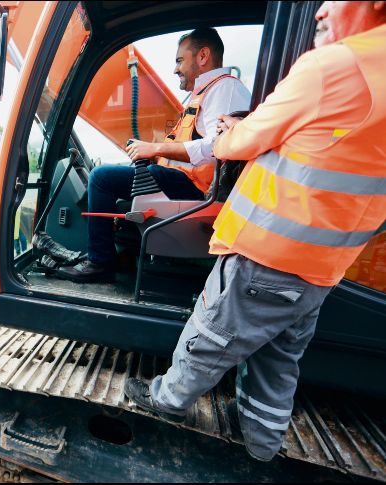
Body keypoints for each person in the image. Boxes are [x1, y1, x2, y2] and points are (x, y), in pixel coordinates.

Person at [123, 2, 386, 463]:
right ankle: (262, 444)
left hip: (269, 248)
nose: (320, 10)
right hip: (323, 266)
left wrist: (232, 131)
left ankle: (166, 401)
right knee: (279, 357)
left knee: (212, 332)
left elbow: (242, 142)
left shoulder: (334, 66)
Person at [59, 27, 252, 283]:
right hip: (185, 180)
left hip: (199, 189)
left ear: (203, 56)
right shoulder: (204, 94)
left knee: (101, 178)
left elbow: (217, 147)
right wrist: (153, 155)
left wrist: (156, 148)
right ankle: (121, 254)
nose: (175, 69)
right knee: (118, 174)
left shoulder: (225, 89)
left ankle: (100, 262)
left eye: (180, 60)